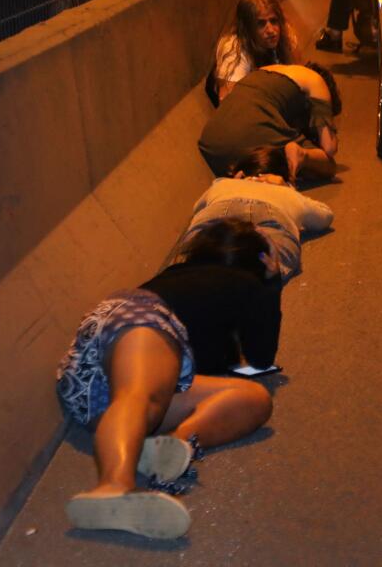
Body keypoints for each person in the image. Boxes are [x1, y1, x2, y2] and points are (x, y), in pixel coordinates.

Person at [57, 218, 282, 539]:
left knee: (253, 399)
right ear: (257, 260)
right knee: (139, 395)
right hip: (138, 323)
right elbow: (262, 357)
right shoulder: (246, 283)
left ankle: (166, 446)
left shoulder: (173, 278)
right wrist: (271, 283)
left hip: (95, 395)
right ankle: (113, 486)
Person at [180, 145, 335, 282]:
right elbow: (325, 216)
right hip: (271, 214)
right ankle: (253, 279)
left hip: (221, 208)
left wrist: (233, 183)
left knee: (196, 251)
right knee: (271, 262)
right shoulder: (286, 192)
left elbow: (197, 209)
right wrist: (289, 188)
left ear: (238, 172)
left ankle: (199, 271)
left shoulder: (222, 184)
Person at [198, 62, 342, 182]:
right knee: (328, 165)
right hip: (248, 134)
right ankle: (302, 155)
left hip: (210, 146)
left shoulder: (269, 70)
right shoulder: (317, 80)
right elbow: (329, 148)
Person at [211, 0, 300, 104]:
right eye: (261, 24)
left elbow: (300, 78)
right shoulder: (234, 49)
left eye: (273, 21)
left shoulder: (285, 33)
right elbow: (228, 103)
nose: (271, 30)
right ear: (248, 29)